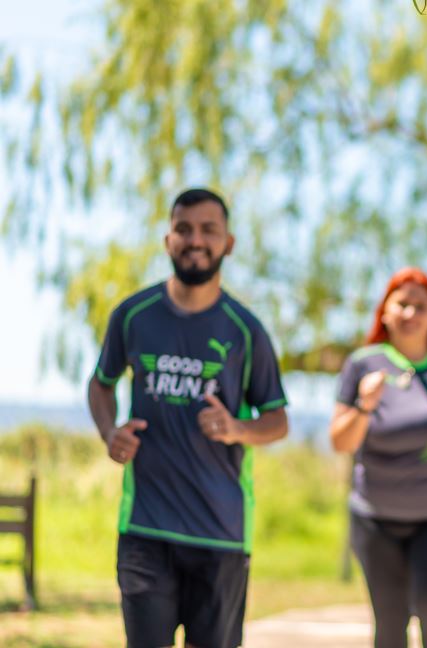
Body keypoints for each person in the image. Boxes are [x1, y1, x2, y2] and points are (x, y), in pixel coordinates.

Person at [87, 188, 289, 648]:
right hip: (144, 530)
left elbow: (277, 420)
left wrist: (237, 428)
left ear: (228, 243)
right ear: (167, 240)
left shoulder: (245, 329)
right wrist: (108, 432)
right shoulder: (133, 315)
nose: (195, 240)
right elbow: (101, 382)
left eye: (207, 230)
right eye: (184, 229)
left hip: (220, 534)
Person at [329, 267, 427, 648]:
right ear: (385, 311)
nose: (410, 313)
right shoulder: (363, 364)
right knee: (390, 621)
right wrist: (364, 405)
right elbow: (341, 442)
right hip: (376, 518)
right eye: (402, 303)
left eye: (420, 305)